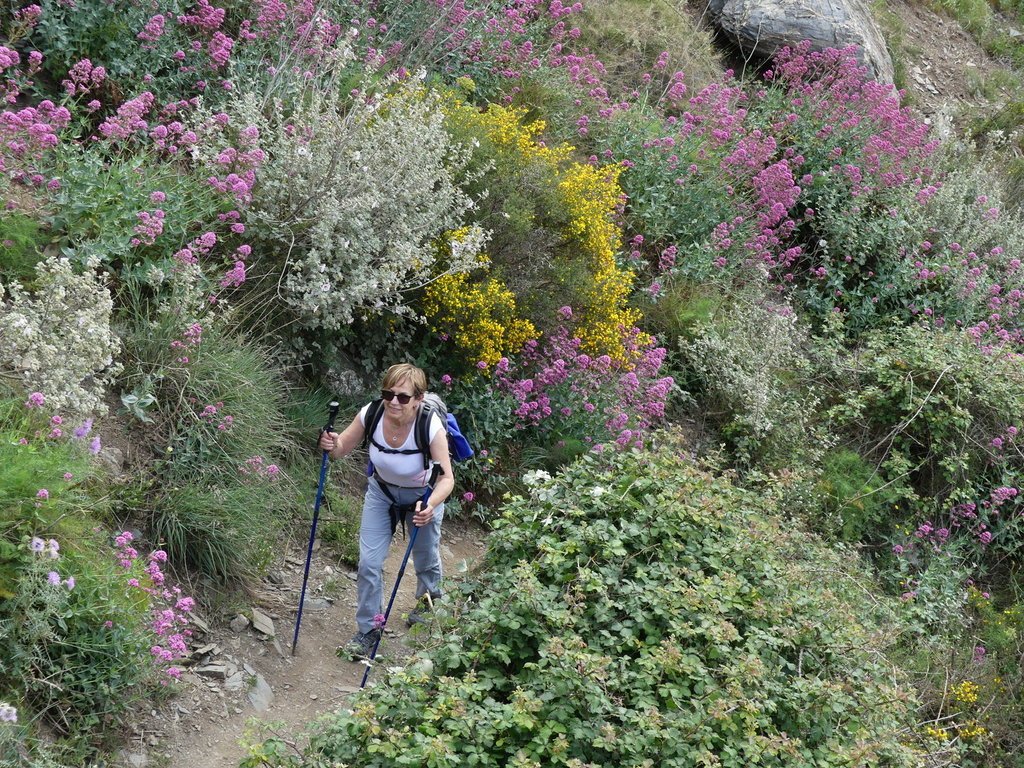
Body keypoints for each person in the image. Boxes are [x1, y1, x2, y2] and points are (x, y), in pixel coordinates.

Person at [317, 363, 455, 659]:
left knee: (425, 556)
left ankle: (428, 602)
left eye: (403, 397)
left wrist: (430, 505)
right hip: (381, 493)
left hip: (422, 497)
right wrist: (331, 442)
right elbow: (341, 449)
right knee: (368, 563)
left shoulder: (430, 427)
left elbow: (447, 478)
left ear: (418, 398)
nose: (393, 401)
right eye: (388, 394)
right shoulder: (372, 413)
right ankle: (368, 629)